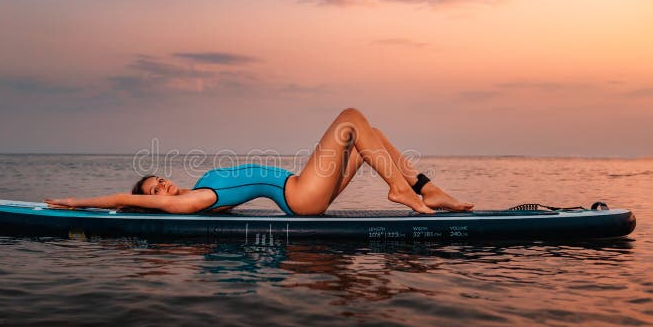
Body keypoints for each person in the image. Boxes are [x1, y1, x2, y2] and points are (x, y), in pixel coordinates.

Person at [45, 108, 474, 215]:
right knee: (350, 119)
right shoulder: (190, 203)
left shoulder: (197, 186)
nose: (164, 188)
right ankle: (402, 189)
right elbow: (126, 197)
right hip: (300, 194)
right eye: (156, 192)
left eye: (160, 181)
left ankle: (423, 188)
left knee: (371, 135)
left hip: (302, 187)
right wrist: (80, 203)